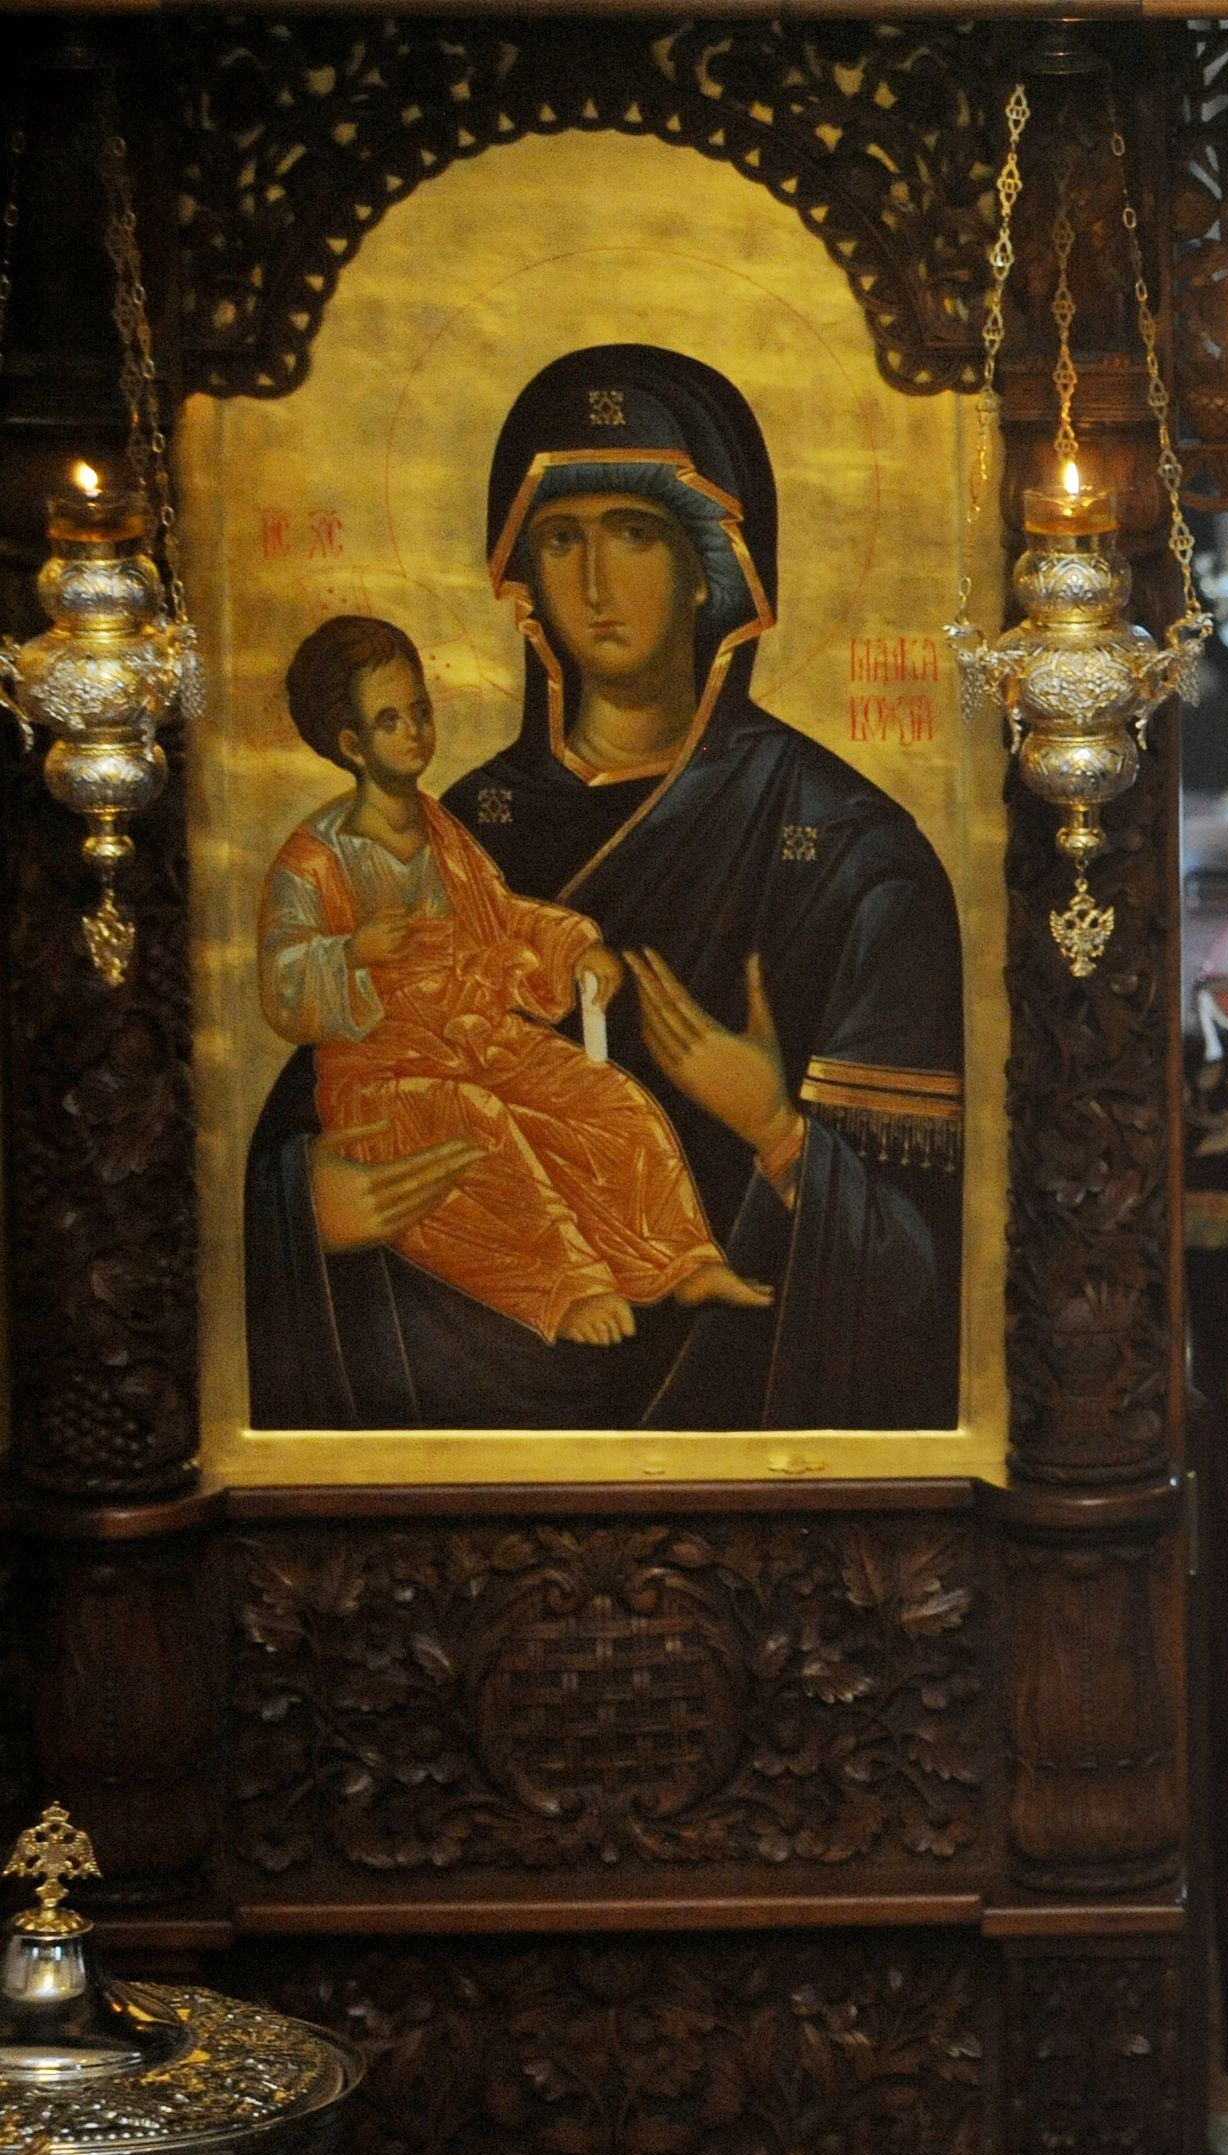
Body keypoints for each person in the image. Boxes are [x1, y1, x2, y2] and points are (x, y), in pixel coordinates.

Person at [245, 344, 964, 1430]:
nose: (593, 583)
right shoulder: (445, 824)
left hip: (736, 1426)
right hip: (445, 1419)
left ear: (712, 565)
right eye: (560, 539)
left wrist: (775, 1128)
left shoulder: (848, 851)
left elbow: (922, 1284)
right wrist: (307, 1206)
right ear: (522, 574)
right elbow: (333, 1076)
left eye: (634, 534)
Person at [261, 615, 771, 1346]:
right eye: (389, 720)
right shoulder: (315, 860)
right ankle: (569, 1289)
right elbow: (282, 982)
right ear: (351, 745)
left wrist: (573, 951)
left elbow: (500, 915)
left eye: (421, 712)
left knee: (608, 1100)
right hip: (388, 1073)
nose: (414, 732)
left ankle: (679, 1259)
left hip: (482, 1039)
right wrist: (349, 953)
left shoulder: (439, 830)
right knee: (481, 1128)